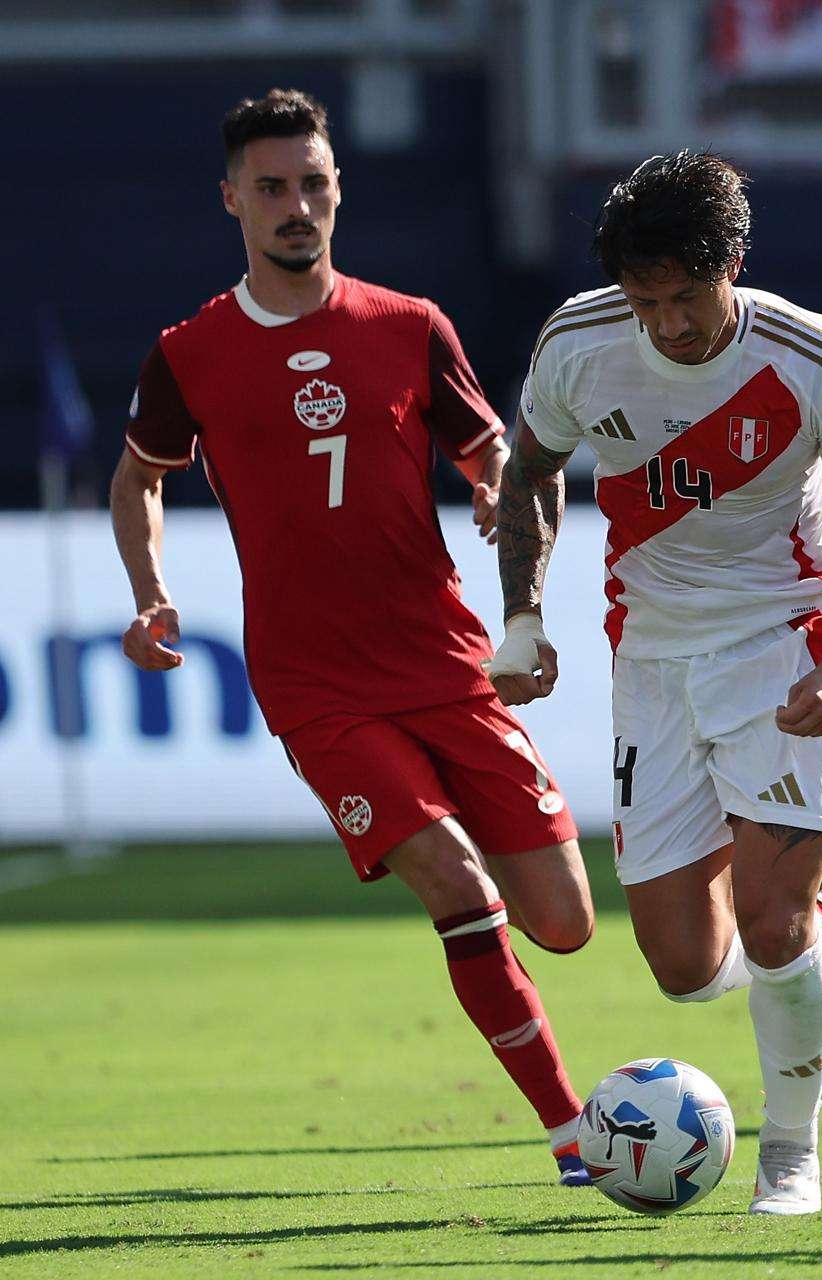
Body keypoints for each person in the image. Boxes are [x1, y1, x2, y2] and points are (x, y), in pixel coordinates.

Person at [111, 90, 596, 1185]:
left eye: (313, 183)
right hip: (314, 683)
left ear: (339, 188)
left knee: (562, 923)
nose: (296, 206)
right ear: (231, 197)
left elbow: (506, 468)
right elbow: (138, 474)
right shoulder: (190, 351)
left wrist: (499, 513)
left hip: (444, 659)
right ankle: (574, 1134)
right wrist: (150, 589)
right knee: (458, 888)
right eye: (272, 187)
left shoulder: (410, 325)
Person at [488, 151, 822, 1216]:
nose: (669, 324)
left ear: (733, 263)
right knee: (686, 967)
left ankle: (792, 1152)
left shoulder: (814, 358)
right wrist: (522, 617)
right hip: (650, 662)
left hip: (784, 646)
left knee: (772, 928)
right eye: (647, 301)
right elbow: (531, 474)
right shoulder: (580, 343)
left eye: (687, 297)